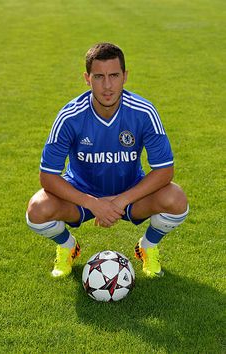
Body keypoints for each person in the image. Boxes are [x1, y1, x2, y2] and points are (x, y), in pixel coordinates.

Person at [26, 42, 189, 278]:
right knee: (37, 210)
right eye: (99, 76)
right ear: (87, 78)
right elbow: (47, 177)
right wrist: (93, 203)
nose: (108, 85)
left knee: (176, 199)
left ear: (125, 76)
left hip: (130, 191)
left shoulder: (143, 112)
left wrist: (120, 201)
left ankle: (148, 246)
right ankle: (67, 246)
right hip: (81, 193)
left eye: (114, 75)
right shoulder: (70, 117)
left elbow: (164, 171)